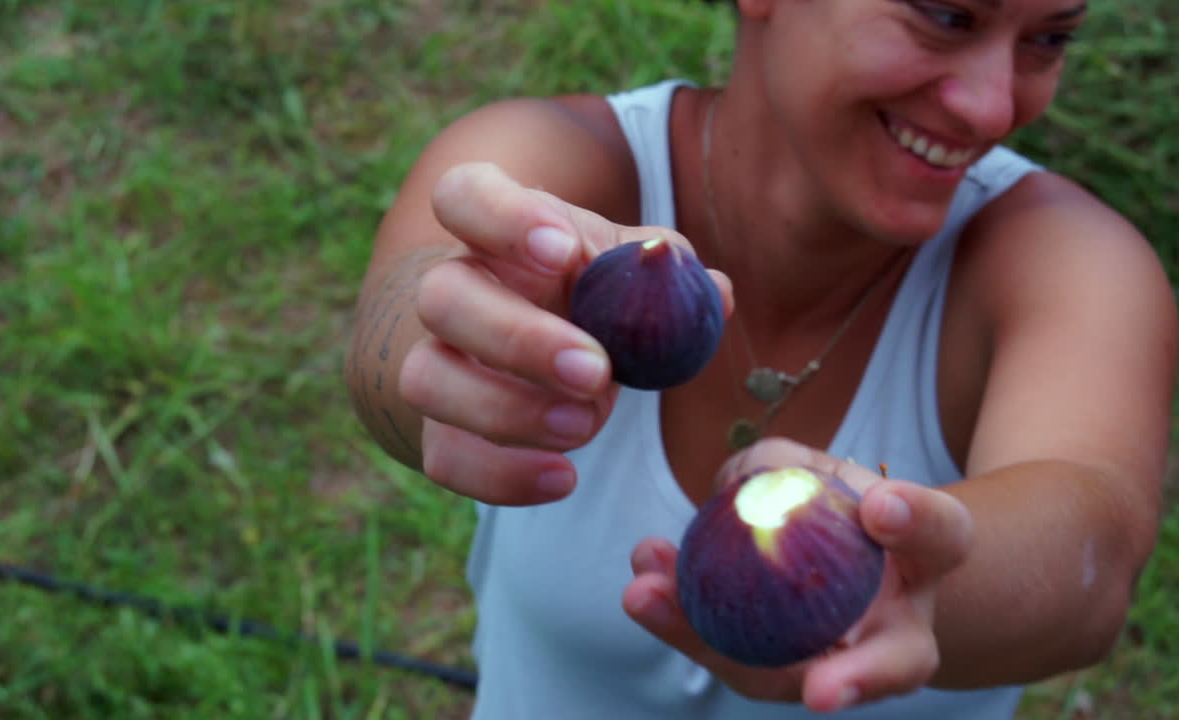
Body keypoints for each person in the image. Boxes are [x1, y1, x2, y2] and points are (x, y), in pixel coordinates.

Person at [345, 0, 1178, 717]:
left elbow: (1088, 554)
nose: (993, 108)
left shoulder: (1071, 263)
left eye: (1048, 39)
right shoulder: (557, 162)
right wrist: (440, 352)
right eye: (947, 15)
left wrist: (899, 566)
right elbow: (396, 324)